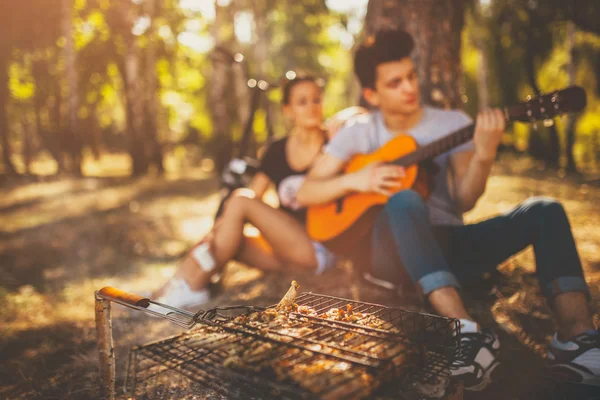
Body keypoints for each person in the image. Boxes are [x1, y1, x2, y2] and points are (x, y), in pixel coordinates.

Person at [296, 28, 599, 390]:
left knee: (546, 210)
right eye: (395, 83)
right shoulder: (359, 132)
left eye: (411, 76)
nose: (410, 87)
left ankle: (576, 338)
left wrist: (485, 154)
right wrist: (355, 182)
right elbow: (308, 192)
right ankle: (466, 332)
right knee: (404, 198)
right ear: (371, 94)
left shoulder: (453, 122)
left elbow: (464, 201)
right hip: (388, 256)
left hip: (449, 246)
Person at [152, 75, 359, 309]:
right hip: (282, 252)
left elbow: (365, 116)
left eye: (316, 100)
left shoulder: (335, 142)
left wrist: (346, 115)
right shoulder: (277, 150)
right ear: (287, 110)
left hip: (316, 248)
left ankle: (189, 287)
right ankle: (178, 286)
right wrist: (215, 231)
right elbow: (252, 196)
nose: (312, 107)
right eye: (302, 102)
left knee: (240, 201)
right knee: (231, 231)